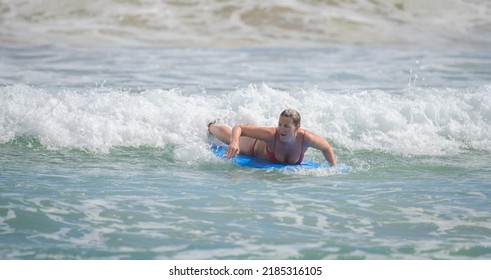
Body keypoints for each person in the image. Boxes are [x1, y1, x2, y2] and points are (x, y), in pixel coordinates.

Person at [208, 109, 336, 166]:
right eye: (280, 124)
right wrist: (234, 142)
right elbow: (239, 128)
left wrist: (332, 167)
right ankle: (210, 125)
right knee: (228, 137)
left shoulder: (306, 138)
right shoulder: (271, 134)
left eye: (286, 126)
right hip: (252, 146)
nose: (281, 129)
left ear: (297, 127)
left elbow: (326, 148)